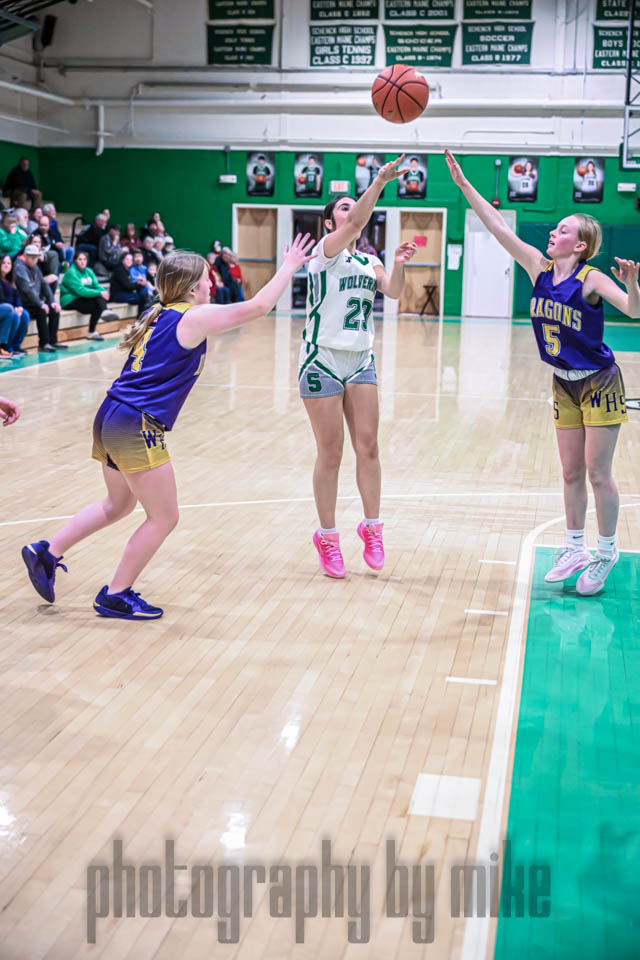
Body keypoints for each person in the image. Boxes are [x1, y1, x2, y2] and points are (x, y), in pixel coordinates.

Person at [21, 235, 315, 620]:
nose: (211, 286)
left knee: (118, 505)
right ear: (192, 288)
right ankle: (115, 594)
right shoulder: (190, 316)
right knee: (165, 517)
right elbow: (259, 307)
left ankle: (47, 552)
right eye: (207, 280)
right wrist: (289, 266)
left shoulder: (159, 313)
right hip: (134, 422)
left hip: (111, 415)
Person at [445, 147, 639, 596]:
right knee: (570, 473)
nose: (554, 232)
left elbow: (633, 310)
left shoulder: (591, 278)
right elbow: (497, 226)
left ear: (581, 245)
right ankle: (574, 547)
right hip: (562, 383)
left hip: (598, 381)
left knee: (597, 473)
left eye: (563, 230)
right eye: (555, 228)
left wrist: (632, 284)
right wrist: (463, 184)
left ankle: (606, 551)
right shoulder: (538, 267)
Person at [300, 154, 417, 579]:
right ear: (329, 222)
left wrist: (399, 263)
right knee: (330, 452)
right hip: (322, 358)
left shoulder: (369, 261)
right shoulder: (324, 253)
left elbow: (394, 292)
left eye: (355, 204)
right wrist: (380, 180)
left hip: (360, 358)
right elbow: (353, 225)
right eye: (344, 207)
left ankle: (372, 528)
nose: (352, 211)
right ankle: (327, 536)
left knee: (368, 447)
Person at [13, 243, 64, 353]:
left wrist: (52, 301)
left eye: (36, 257)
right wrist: (41, 304)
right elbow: (27, 289)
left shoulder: (35, 266)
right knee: (41, 310)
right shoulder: (19, 267)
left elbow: (44, 284)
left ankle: (53, 340)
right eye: (31, 257)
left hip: (34, 301)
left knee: (54, 309)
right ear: (25, 256)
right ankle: (43, 343)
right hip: (24, 303)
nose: (34, 259)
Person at [60, 251, 118, 341]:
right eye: (80, 259)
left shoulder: (89, 271)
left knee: (99, 298)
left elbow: (96, 285)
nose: (82, 262)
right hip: (69, 300)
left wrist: (103, 291)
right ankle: (93, 328)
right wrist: (100, 293)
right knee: (97, 302)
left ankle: (103, 312)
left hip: (81, 298)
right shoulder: (71, 272)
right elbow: (80, 291)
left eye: (84, 259)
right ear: (75, 261)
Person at [0, 254, 29, 357]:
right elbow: (1, 299)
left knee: (24, 315)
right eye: (3, 263)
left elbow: (17, 296)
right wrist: (13, 307)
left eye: (9, 263)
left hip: (9, 308)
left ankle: (14, 346)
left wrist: (19, 307)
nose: (6, 265)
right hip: (4, 307)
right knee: (10, 311)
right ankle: (3, 346)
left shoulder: (11, 280)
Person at [109, 251, 153, 317]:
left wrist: (138, 282)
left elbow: (129, 285)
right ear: (122, 260)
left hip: (125, 293)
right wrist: (138, 283)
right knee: (142, 297)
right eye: (127, 259)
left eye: (131, 260)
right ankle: (141, 318)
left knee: (144, 295)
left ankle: (143, 317)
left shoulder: (126, 269)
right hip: (117, 295)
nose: (129, 261)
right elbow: (127, 286)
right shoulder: (119, 270)